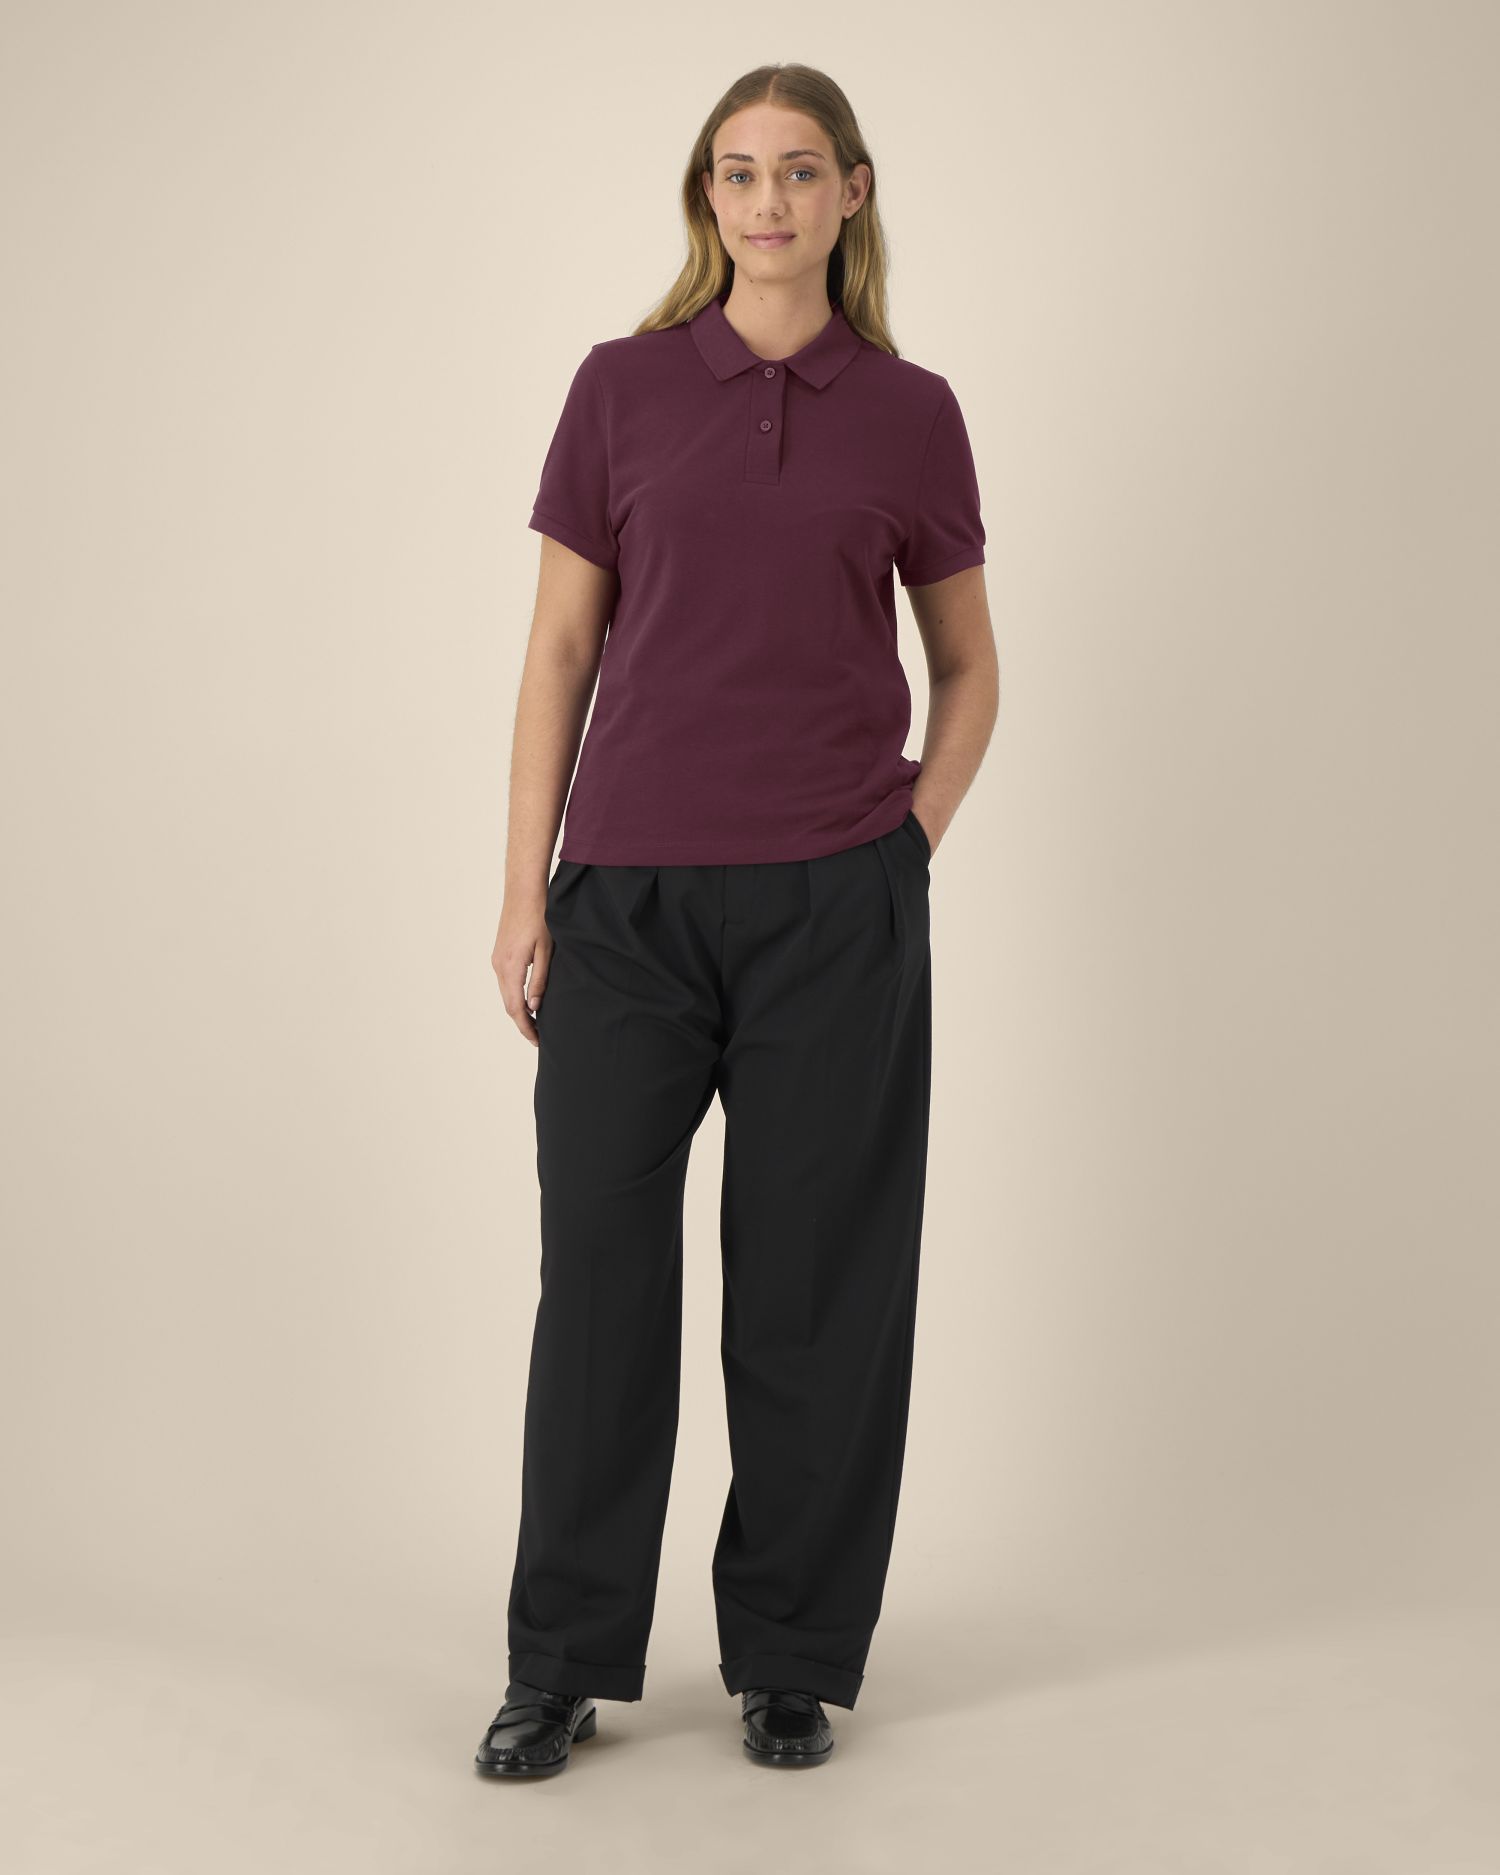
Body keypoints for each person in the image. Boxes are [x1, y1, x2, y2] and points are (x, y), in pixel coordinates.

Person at [476, 61, 998, 1778]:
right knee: (599, 1281)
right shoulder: (621, 388)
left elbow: (970, 666)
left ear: (853, 192)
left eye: (797, 170)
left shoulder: (911, 412)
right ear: (706, 198)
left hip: (835, 907)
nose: (767, 200)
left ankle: (790, 1657)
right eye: (736, 171)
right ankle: (560, 1659)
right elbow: (561, 650)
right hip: (626, 901)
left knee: (815, 1289)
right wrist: (524, 889)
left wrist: (899, 846)